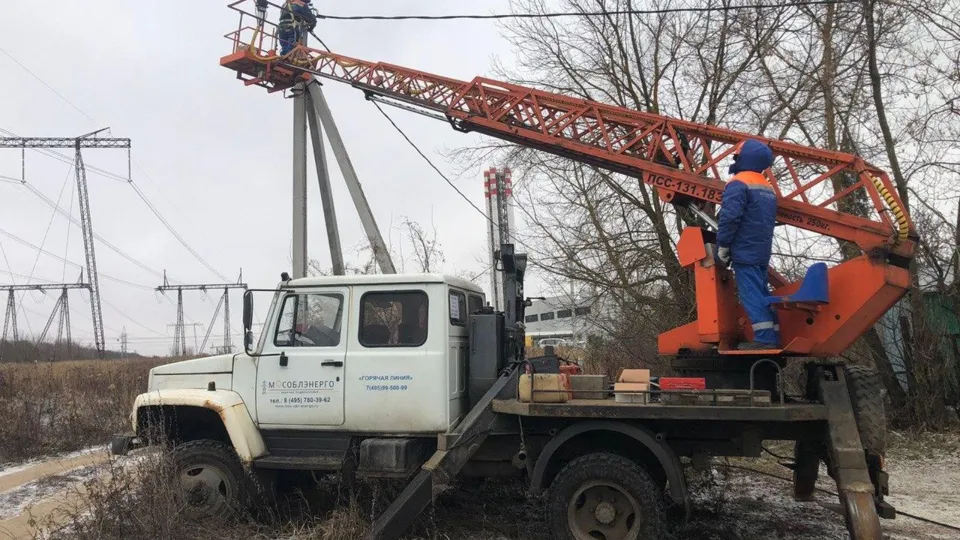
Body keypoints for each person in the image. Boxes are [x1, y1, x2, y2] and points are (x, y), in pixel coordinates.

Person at [715, 139, 779, 350]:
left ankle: (765, 339)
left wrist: (723, 245)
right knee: (762, 292)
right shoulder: (766, 187)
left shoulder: (738, 183)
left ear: (743, 157)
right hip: (761, 249)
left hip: (744, 250)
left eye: (737, 154)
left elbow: (730, 217)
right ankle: (773, 333)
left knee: (751, 293)